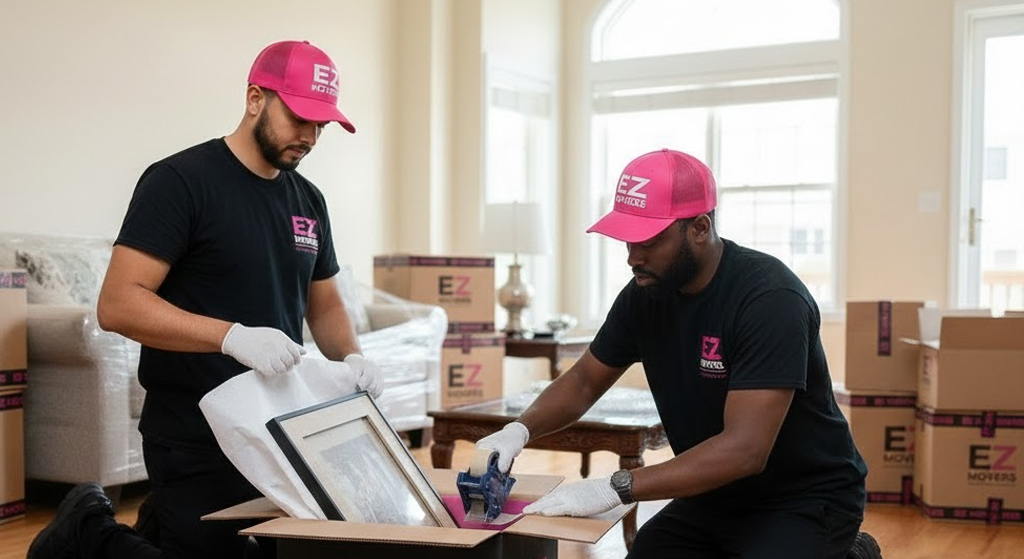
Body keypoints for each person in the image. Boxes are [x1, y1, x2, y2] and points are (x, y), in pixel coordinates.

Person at [27, 40, 383, 559]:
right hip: (193, 431)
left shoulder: (308, 200)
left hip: (276, 429)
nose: (309, 136)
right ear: (255, 98)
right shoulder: (180, 182)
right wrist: (230, 336)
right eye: (300, 117)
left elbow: (323, 304)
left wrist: (352, 357)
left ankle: (155, 526)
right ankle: (88, 528)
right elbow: (119, 304)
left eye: (322, 125)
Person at [476, 149, 870, 558]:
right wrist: (519, 431)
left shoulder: (769, 300)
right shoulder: (646, 293)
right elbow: (583, 380)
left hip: (804, 499)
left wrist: (616, 487)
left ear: (700, 228)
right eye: (628, 240)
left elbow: (745, 450)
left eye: (648, 241)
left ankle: (852, 553)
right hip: (712, 492)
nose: (633, 257)